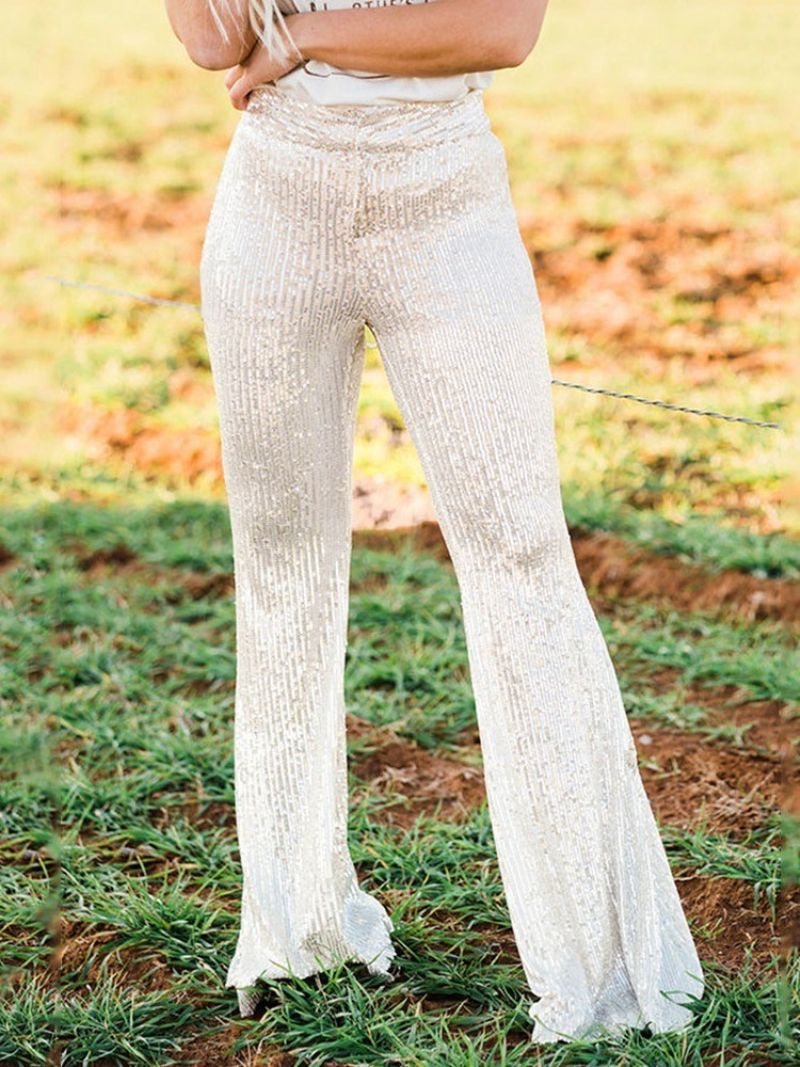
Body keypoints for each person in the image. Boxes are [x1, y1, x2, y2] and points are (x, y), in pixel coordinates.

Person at [164, 0, 705, 1045]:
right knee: (282, 567)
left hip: (444, 200)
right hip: (275, 201)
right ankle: (297, 927)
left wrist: (304, 40)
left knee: (519, 552)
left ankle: (599, 964)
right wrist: (275, 50)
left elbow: (502, 28)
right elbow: (211, 45)